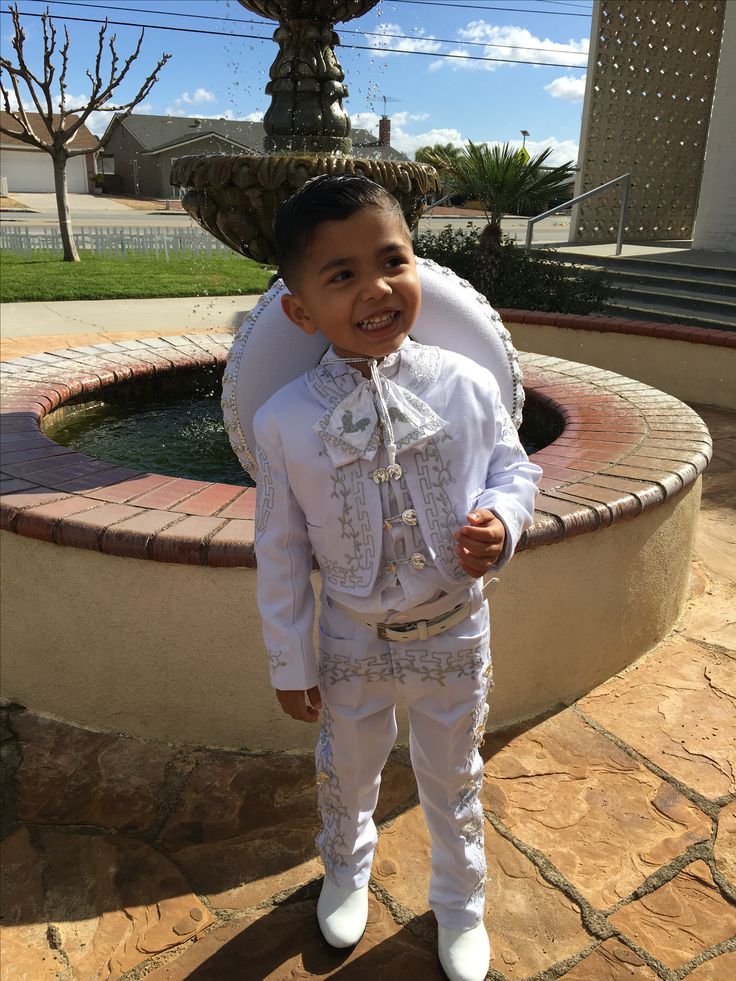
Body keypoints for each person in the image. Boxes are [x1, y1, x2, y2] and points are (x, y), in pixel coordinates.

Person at [252, 174, 542, 981]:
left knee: (453, 773)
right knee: (350, 766)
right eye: (342, 275)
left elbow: (514, 472)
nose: (377, 289)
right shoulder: (284, 421)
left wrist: (503, 520)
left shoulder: (467, 385)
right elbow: (278, 549)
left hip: (454, 629)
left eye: (392, 261)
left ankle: (461, 901)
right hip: (350, 637)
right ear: (302, 311)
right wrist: (291, 658)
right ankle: (346, 868)